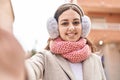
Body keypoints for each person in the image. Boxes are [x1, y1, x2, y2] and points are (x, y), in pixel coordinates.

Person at [25, 3, 106, 80]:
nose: (71, 28)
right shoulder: (45, 58)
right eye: (65, 23)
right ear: (56, 29)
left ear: (84, 27)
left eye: (76, 22)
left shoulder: (96, 60)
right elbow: (28, 70)